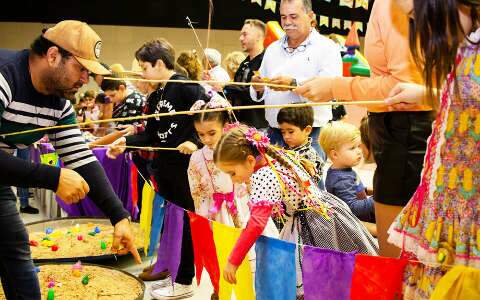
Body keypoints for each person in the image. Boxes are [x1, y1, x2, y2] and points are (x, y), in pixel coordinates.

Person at [0, 20, 140, 299]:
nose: (85, 79)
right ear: (53, 56)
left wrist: (119, 216)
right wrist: (53, 177)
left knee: (14, 249)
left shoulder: (59, 104)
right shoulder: (5, 76)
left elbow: (82, 159)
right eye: (81, 68)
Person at [294, 0, 435, 258]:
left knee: (396, 258)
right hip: (398, 130)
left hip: (406, 130)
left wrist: (336, 87)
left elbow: (403, 89)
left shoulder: (398, 5)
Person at [384, 0, 480, 298]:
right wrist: (428, 93)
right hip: (448, 203)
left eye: (418, 16)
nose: (421, 29)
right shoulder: (469, 45)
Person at [214, 127, 378, 296]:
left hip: (313, 227)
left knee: (319, 282)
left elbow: (256, 223)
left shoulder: (262, 175)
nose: (233, 180)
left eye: (232, 173)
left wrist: (233, 260)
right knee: (339, 274)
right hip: (327, 214)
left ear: (249, 160)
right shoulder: (274, 158)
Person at [107, 38, 208, 300]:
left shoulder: (185, 86)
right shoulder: (156, 94)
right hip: (166, 170)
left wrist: (195, 141)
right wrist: (125, 143)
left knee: (186, 223)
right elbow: (151, 136)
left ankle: (185, 280)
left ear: (160, 63)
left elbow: (213, 113)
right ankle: (171, 270)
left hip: (186, 170)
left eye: (144, 67)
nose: (141, 73)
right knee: (172, 224)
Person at [187, 98, 278, 299]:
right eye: (201, 134)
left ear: (224, 126)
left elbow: (251, 181)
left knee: (250, 251)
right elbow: (196, 190)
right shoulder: (196, 157)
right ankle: (223, 289)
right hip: (215, 213)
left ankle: (254, 290)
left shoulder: (238, 150)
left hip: (243, 208)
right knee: (220, 250)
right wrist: (203, 216)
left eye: (212, 133)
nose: (207, 139)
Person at [250, 0, 342, 159]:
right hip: (274, 132)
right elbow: (261, 88)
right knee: (274, 183)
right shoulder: (272, 49)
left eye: (293, 16)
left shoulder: (327, 48)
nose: (287, 22)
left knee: (309, 183)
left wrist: (293, 84)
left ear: (310, 16)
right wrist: (258, 87)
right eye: (283, 17)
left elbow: (330, 89)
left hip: (311, 134)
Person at [319, 121, 375, 223]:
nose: (359, 151)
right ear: (335, 154)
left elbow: (353, 189)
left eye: (359, 146)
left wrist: (367, 190)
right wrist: (375, 200)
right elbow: (352, 208)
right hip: (359, 225)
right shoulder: (341, 179)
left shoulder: (344, 170)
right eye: (352, 148)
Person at [223, 19, 269, 129]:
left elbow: (255, 94)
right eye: (241, 35)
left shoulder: (266, 62)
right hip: (239, 125)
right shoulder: (245, 63)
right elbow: (236, 90)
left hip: (257, 128)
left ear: (258, 37)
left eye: (245, 34)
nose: (241, 38)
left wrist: (225, 87)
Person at [277, 106, 324, 188]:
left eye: (291, 132)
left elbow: (309, 184)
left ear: (307, 130)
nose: (286, 136)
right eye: (283, 132)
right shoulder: (287, 149)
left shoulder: (309, 156)